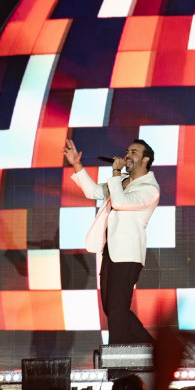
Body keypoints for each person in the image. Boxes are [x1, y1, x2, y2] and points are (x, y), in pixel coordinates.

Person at [62, 138, 160, 344]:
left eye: (134, 152)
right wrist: (76, 165)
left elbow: (120, 202)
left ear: (145, 160)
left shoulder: (149, 188)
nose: (127, 155)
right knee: (112, 308)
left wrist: (116, 174)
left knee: (117, 309)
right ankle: (151, 347)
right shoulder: (123, 181)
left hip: (127, 254)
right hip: (110, 251)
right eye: (127, 151)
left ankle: (119, 357)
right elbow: (94, 192)